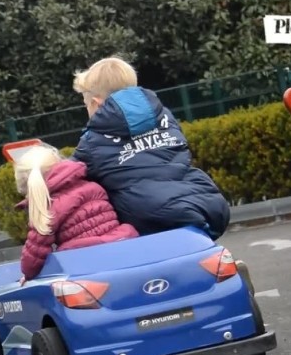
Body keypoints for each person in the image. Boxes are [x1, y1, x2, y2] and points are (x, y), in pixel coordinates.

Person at [69, 56, 231, 240]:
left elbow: (69, 174)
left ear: (97, 104)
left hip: (147, 214)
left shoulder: (93, 141)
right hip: (204, 201)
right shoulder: (163, 116)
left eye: (86, 105)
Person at [14, 144, 139, 283]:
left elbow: (34, 256)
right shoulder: (92, 185)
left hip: (84, 259)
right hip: (120, 244)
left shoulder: (47, 208)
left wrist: (28, 275)